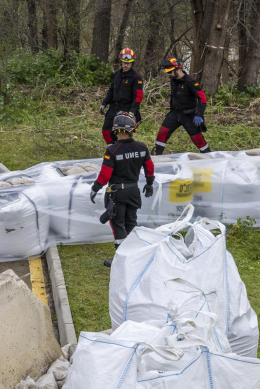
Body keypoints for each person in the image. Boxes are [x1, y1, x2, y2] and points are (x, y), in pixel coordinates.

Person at [90, 112, 155, 267]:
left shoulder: (112, 150)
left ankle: (121, 260)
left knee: (118, 224)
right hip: (134, 191)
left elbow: (105, 174)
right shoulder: (142, 147)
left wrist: (95, 188)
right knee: (131, 222)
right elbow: (149, 167)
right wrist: (149, 183)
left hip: (117, 193)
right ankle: (133, 257)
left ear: (115, 130)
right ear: (132, 129)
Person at [154, 57, 211, 155]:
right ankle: (155, 157)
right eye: (167, 72)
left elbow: (202, 99)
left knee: (198, 140)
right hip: (175, 114)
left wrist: (199, 114)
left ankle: (209, 157)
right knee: (162, 133)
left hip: (189, 115)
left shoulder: (191, 82)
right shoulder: (173, 80)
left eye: (170, 72)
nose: (169, 75)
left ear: (178, 69)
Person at [99, 48, 144, 144]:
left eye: (128, 63)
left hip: (128, 108)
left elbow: (138, 97)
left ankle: (123, 149)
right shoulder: (116, 74)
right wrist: (104, 103)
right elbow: (111, 90)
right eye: (124, 63)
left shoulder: (136, 78)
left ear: (132, 63)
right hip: (115, 106)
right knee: (106, 131)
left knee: (123, 133)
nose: (126, 65)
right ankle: (112, 148)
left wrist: (132, 111)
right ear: (121, 62)